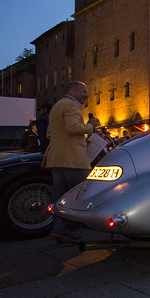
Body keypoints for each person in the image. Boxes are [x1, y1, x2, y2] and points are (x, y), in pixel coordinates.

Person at [42, 81, 95, 244]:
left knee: (60, 196)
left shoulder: (58, 106)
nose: (86, 95)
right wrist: (90, 127)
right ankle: (66, 229)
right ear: (72, 90)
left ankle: (60, 229)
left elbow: (50, 133)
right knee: (78, 195)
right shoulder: (71, 106)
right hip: (72, 159)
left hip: (56, 158)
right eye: (84, 91)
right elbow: (73, 128)